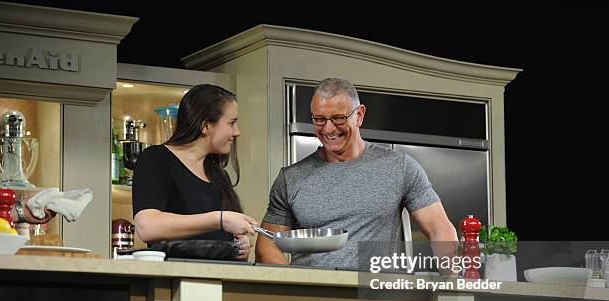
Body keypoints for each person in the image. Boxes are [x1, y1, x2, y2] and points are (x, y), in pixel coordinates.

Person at [255, 78, 457, 269]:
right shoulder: (291, 178)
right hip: (311, 299)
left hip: (375, 297)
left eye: (338, 118)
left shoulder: (400, 167)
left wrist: (452, 283)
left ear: (359, 115)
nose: (328, 128)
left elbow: (438, 227)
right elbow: (267, 244)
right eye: (319, 119)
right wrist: (293, 287)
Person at [133, 84, 258, 260]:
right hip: (177, 281)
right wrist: (220, 220)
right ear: (206, 125)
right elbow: (147, 227)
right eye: (231, 123)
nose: (237, 132)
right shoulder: (157, 158)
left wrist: (239, 246)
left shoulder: (219, 174)